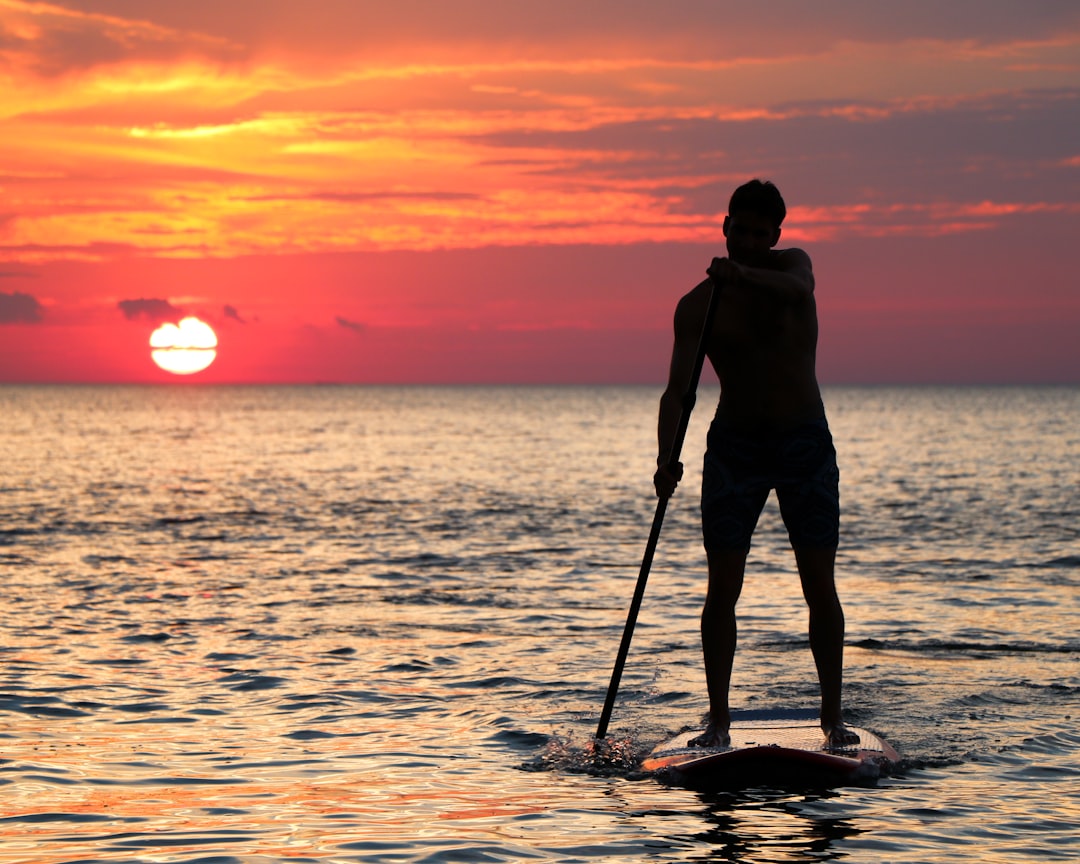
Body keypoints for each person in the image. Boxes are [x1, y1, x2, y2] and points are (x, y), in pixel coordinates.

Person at [653, 179, 859, 748]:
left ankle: (832, 720)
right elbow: (677, 394)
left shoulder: (794, 267)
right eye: (736, 229)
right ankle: (718, 720)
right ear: (723, 228)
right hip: (735, 449)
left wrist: (743, 276)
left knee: (819, 585)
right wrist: (666, 457)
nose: (744, 240)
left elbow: (797, 290)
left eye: (756, 233)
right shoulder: (698, 306)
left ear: (774, 236)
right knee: (722, 588)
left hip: (803, 446)